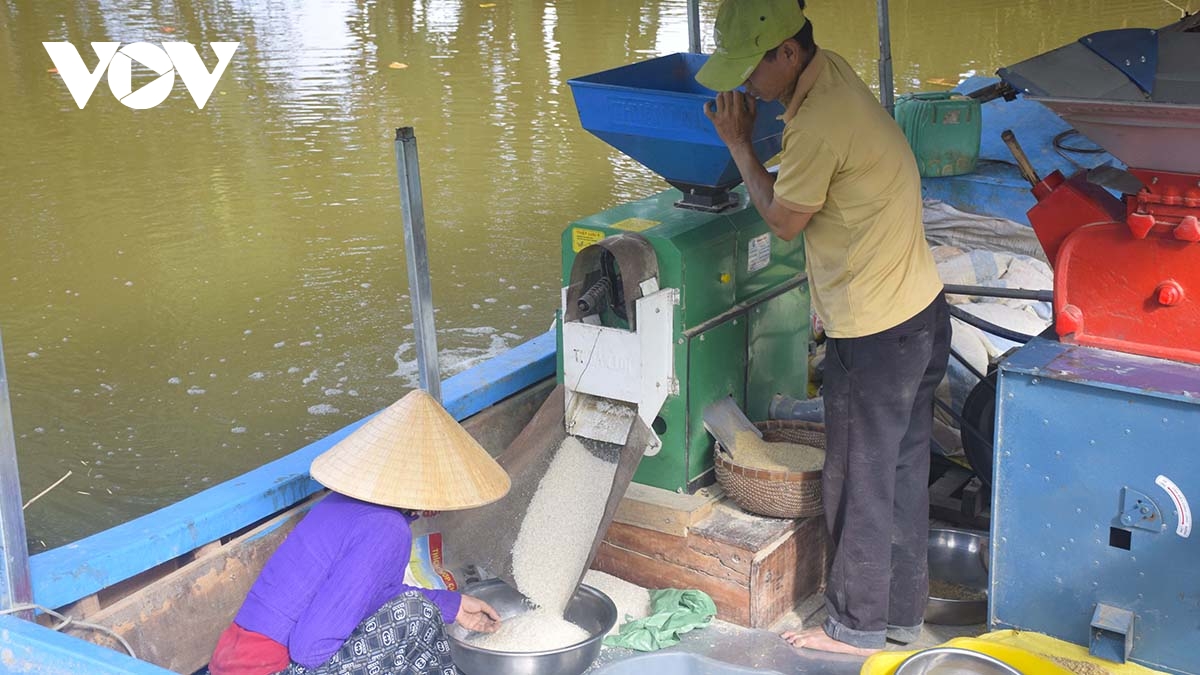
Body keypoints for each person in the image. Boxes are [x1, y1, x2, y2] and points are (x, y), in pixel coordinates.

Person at [696, 0, 951, 657]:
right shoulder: (829, 69)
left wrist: (738, 145)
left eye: (750, 68)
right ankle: (898, 613)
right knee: (898, 470)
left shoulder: (817, 121)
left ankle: (853, 628)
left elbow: (783, 221)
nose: (744, 85)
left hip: (875, 331)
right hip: (920, 312)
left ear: (786, 51)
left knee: (857, 479)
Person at [209, 388, 511, 675]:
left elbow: (372, 592)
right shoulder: (387, 529)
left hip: (229, 661)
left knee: (417, 612)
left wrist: (454, 605)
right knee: (417, 615)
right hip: (271, 668)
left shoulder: (344, 504)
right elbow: (310, 649)